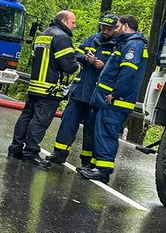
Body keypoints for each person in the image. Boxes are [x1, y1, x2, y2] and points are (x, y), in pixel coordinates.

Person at [36, 12, 120, 168]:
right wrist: (86, 58)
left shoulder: (117, 45)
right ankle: (59, 154)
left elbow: (117, 67)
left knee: (91, 129)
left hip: (96, 94)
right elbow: (76, 52)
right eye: (103, 27)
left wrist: (103, 65)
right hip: (79, 90)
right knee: (68, 123)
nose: (105, 31)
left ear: (115, 28)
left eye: (108, 28)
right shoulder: (92, 39)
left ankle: (87, 161)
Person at [78, 15, 148, 183]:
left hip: (115, 101)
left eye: (118, 26)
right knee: (100, 132)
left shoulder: (133, 45)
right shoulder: (127, 43)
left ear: (125, 26)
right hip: (107, 100)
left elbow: (128, 72)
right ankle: (96, 166)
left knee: (107, 133)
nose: (115, 29)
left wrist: (115, 93)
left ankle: (103, 170)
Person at [9, 10, 79, 161]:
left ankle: (15, 148)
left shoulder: (42, 35)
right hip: (50, 88)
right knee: (40, 121)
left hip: (35, 85)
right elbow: (69, 66)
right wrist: (78, 64)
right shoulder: (62, 38)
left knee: (26, 117)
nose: (75, 26)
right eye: (73, 22)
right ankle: (30, 152)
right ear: (64, 21)